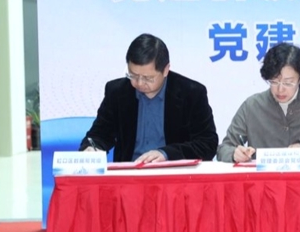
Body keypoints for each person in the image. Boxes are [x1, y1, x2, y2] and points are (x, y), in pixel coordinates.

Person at [80, 33, 218, 162]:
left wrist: (166, 154)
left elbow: (207, 144)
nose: (139, 83)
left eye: (148, 78)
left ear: (165, 70)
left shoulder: (192, 93)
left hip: (175, 173)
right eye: (133, 75)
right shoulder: (117, 92)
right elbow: (99, 134)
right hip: (130, 173)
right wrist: (92, 148)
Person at [217, 42, 300, 162]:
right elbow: (224, 148)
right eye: (274, 81)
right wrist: (234, 154)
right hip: (264, 179)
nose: (280, 89)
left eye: (288, 83)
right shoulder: (252, 106)